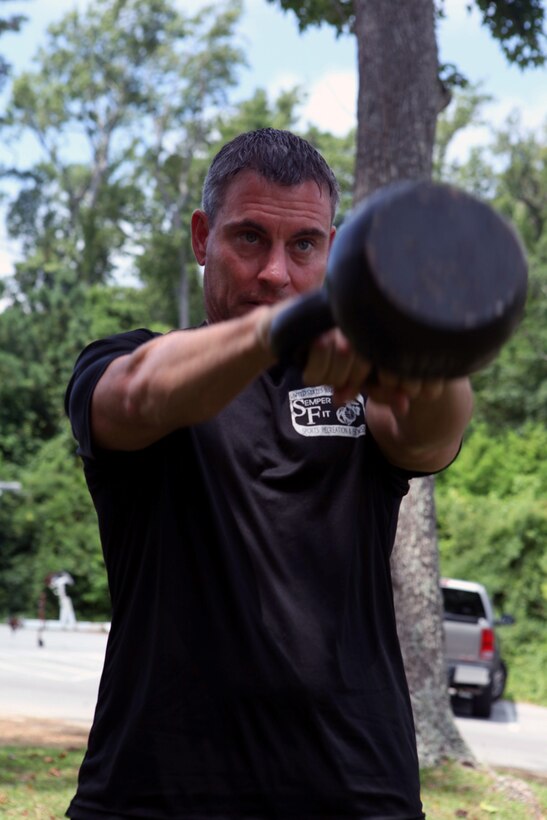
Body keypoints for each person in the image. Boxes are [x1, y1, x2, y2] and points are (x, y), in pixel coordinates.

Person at [64, 128, 473, 819]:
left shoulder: (363, 379)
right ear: (202, 237)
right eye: (249, 238)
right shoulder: (132, 360)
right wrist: (284, 328)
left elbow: (431, 436)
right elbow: (138, 394)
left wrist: (418, 344)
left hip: (356, 793)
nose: (276, 273)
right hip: (153, 794)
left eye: (303, 246)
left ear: (333, 250)